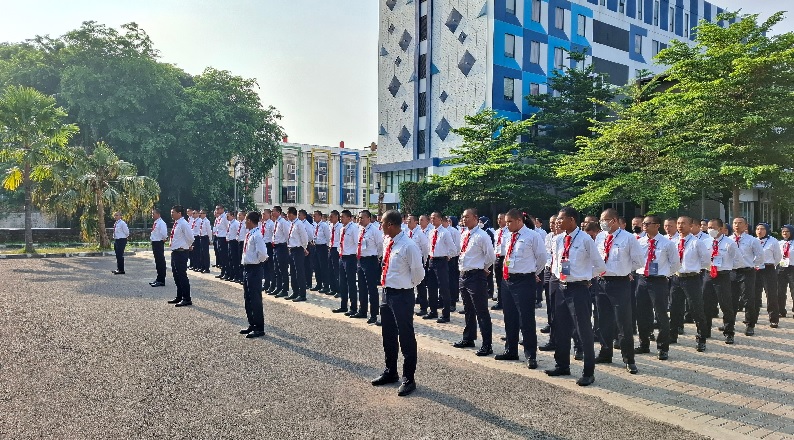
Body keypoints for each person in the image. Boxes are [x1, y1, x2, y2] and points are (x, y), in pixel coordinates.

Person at [545, 207, 605, 387]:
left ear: (571, 220)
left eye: (561, 219)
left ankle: (588, 372)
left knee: (583, 330)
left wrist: (585, 277)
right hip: (561, 287)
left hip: (578, 289)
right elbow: (556, 261)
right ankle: (562, 365)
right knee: (561, 328)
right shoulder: (558, 239)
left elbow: (600, 266)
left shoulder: (585, 239)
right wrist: (557, 278)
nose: (557, 222)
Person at [371, 210, 425, 397]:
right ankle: (390, 371)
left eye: (383, 224)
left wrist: (405, 286)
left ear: (391, 225)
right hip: (387, 292)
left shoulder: (409, 245)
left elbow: (419, 273)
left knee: (406, 336)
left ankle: (408, 378)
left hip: (402, 295)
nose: (381, 227)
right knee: (388, 334)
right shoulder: (388, 241)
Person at [594, 208, 643, 373]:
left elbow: (638, 261)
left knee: (624, 323)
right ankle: (605, 352)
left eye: (604, 219)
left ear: (613, 220)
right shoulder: (600, 237)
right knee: (603, 321)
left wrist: (624, 270)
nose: (602, 223)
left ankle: (628, 358)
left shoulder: (628, 238)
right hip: (601, 283)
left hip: (620, 283)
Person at [498, 209, 547, 369]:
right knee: (509, 316)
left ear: (519, 221)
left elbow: (541, 259)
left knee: (526, 319)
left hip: (524, 280)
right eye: (506, 222)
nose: (507, 225)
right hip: (508, 280)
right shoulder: (507, 235)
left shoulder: (532, 236)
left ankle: (530, 354)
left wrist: (533, 273)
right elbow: (506, 256)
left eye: (510, 222)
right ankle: (511, 350)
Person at [634, 215, 680, 360]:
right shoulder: (640, 242)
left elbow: (675, 264)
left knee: (661, 315)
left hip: (659, 281)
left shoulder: (667, 244)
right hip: (642, 280)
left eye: (648, 224)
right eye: (643, 224)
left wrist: (665, 274)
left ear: (657, 225)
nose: (644, 226)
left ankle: (662, 347)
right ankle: (644, 343)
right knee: (642, 314)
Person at [451, 208, 496, 356]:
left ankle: (487, 345)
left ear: (476, 218)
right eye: (463, 217)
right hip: (463, 275)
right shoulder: (464, 234)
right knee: (468, 309)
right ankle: (469, 337)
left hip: (476, 276)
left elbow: (490, 256)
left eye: (467, 217)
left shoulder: (482, 236)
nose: (464, 220)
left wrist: (483, 269)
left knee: (481, 311)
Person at [669, 216, 711, 352]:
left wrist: (694, 269)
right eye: (679, 223)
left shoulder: (697, 243)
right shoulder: (673, 241)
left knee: (696, 309)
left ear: (691, 225)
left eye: (684, 224)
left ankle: (701, 338)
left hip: (692, 278)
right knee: (675, 308)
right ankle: (673, 334)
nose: (680, 226)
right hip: (676, 278)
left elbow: (705, 261)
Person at [702, 218, 739, 344]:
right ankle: (705, 330)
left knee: (726, 305)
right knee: (706, 304)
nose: (711, 230)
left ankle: (729, 332)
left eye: (713, 227)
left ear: (721, 228)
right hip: (708, 275)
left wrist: (727, 268)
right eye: (709, 227)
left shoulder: (730, 243)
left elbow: (737, 259)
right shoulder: (705, 242)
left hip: (723, 275)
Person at [731, 217, 763, 336]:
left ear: (746, 226)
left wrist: (752, 265)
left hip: (747, 271)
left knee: (748, 299)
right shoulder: (729, 240)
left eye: (740, 223)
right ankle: (729, 323)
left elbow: (759, 255)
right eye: (735, 223)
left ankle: (750, 324)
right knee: (731, 299)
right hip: (732, 272)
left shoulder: (752, 240)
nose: (737, 225)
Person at [240, 211, 268, 339]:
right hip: (247, 268)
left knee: (255, 299)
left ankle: (259, 328)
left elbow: (262, 254)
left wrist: (257, 263)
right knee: (248, 298)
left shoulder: (257, 235)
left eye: (246, 220)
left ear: (250, 221)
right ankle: (252, 324)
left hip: (254, 269)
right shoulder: (249, 234)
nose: (245, 222)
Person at [354, 210, 384, 324]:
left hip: (370, 260)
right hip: (360, 260)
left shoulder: (374, 231)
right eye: (359, 218)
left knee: (372, 288)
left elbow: (380, 245)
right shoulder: (360, 230)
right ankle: (362, 310)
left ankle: (374, 314)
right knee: (361, 287)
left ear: (368, 218)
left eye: (362, 218)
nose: (360, 220)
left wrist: (378, 257)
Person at [425, 212, 455, 322]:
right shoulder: (431, 232)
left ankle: (446, 314)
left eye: (434, 218)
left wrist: (448, 256)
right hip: (432, 260)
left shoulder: (445, 232)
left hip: (441, 261)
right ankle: (433, 311)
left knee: (443, 288)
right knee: (431, 287)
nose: (432, 220)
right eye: (431, 218)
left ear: (440, 219)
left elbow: (453, 248)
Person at [754, 223, 781, 328]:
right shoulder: (753, 241)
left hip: (768, 269)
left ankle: (774, 319)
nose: (759, 231)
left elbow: (778, 257)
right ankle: (753, 317)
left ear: (767, 230)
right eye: (757, 229)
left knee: (771, 294)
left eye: (762, 229)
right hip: (756, 269)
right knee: (754, 294)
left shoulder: (773, 241)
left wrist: (770, 265)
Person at [334, 210, 360, 314]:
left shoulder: (354, 228)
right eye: (340, 217)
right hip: (342, 257)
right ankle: (343, 306)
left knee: (351, 284)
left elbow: (357, 243)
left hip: (350, 258)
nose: (341, 219)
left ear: (349, 218)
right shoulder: (342, 228)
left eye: (343, 217)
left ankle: (353, 308)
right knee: (342, 283)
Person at [168, 205, 194, 307]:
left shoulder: (183, 223)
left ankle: (187, 298)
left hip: (181, 252)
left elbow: (190, 237)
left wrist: (187, 246)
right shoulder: (177, 223)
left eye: (173, 212)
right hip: (175, 251)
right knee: (176, 275)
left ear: (179, 213)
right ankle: (179, 296)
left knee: (182, 275)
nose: (171, 214)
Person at [286, 207, 309, 302]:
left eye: (288, 214)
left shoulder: (299, 224)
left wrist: (304, 248)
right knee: (293, 272)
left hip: (298, 249)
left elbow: (304, 237)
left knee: (299, 273)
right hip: (292, 250)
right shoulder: (292, 224)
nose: (287, 216)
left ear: (292, 214)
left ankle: (302, 294)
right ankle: (295, 292)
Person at [271, 206, 292, 297]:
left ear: (279, 212)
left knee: (283, 269)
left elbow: (287, 235)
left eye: (274, 211)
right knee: (276, 269)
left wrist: (288, 247)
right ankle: (278, 287)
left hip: (282, 247)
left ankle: (285, 289)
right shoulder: (276, 222)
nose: (272, 213)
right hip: (276, 247)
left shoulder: (283, 222)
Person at [311, 210, 331, 293]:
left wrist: (327, 247)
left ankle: (326, 285)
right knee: (316, 266)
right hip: (316, 246)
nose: (313, 217)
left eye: (315, 216)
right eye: (313, 216)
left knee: (323, 267)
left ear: (320, 216)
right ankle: (318, 284)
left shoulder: (324, 225)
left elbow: (328, 237)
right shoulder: (315, 225)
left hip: (322, 247)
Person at [777, 225, 794, 319]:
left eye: (787, 231)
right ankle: (781, 310)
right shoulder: (779, 243)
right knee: (780, 290)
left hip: (792, 268)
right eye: (783, 231)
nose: (785, 233)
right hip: (781, 268)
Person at [149, 208, 168, 287]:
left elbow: (164, 234)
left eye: (154, 214)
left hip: (159, 242)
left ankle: (161, 280)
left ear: (158, 214)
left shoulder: (161, 223)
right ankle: (158, 278)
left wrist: (163, 240)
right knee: (157, 261)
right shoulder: (156, 222)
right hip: (155, 242)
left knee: (160, 261)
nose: (152, 215)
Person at [492, 214, 507, 311]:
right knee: (498, 281)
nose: (499, 220)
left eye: (501, 218)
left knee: (505, 281)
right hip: (497, 258)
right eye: (498, 219)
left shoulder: (509, 232)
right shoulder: (497, 232)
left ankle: (506, 301)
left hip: (505, 258)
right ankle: (500, 301)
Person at [259, 209, 275, 292]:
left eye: (264, 214)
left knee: (270, 266)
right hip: (263, 245)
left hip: (269, 245)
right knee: (265, 266)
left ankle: (272, 285)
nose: (263, 215)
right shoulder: (263, 224)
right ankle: (266, 284)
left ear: (269, 214)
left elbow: (273, 235)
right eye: (262, 214)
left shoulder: (271, 224)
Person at [327, 210, 343, 297]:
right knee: (330, 270)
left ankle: (339, 290)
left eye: (331, 217)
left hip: (337, 250)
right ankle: (332, 288)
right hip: (331, 248)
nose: (330, 218)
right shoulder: (330, 226)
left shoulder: (340, 226)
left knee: (337, 271)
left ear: (337, 217)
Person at [213, 205, 229, 276]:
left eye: (218, 209)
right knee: (221, 256)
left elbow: (228, 228)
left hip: (223, 238)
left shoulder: (225, 217)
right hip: (218, 237)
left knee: (225, 256)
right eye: (216, 209)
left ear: (222, 209)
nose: (216, 210)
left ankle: (226, 272)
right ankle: (222, 272)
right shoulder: (219, 217)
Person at [224, 211, 240, 282]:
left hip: (234, 242)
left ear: (233, 216)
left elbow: (238, 233)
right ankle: (231, 275)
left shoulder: (236, 223)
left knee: (235, 260)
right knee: (230, 259)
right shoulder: (229, 223)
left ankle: (236, 276)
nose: (227, 217)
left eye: (228, 216)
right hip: (229, 242)